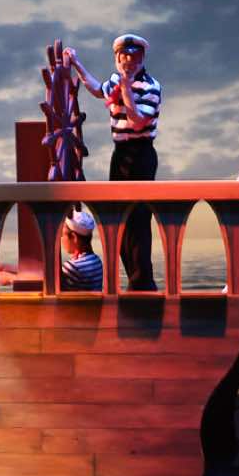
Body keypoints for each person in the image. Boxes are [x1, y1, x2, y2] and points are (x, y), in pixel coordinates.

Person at [66, 34, 163, 290]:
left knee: (137, 219)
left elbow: (137, 121)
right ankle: (133, 278)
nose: (128, 61)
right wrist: (76, 64)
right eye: (124, 56)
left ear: (142, 58)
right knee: (119, 218)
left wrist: (127, 88)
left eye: (134, 56)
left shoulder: (151, 87)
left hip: (141, 155)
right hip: (120, 154)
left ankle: (142, 284)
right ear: (117, 57)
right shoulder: (115, 81)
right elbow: (98, 89)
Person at [60, 211, 104, 292]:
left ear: (74, 237)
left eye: (62, 234)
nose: (61, 238)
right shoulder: (97, 260)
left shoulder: (72, 267)